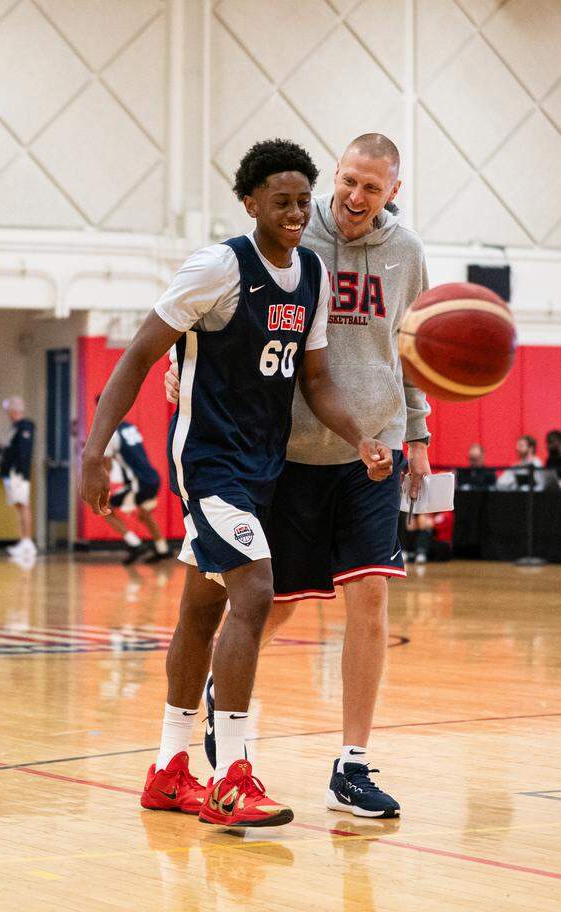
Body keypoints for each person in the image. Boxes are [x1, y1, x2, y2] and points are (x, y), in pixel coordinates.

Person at [81, 139, 392, 829]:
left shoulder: (309, 274)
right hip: (211, 464)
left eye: (301, 202)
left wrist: (360, 437)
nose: (293, 213)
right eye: (279, 201)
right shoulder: (218, 268)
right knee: (253, 594)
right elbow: (138, 354)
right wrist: (94, 448)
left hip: (264, 469)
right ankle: (232, 776)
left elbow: (314, 379)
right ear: (249, 202)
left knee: (199, 612)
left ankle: (169, 770)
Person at [166, 133, 432, 818]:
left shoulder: (407, 254)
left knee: (370, 598)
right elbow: (219, 317)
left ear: (392, 193)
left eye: (371, 188)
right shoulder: (289, 233)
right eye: (347, 180)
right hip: (286, 453)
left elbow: (415, 349)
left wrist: (418, 432)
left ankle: (352, 764)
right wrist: (184, 365)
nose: (354, 195)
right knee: (269, 602)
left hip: (373, 448)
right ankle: (227, 703)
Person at [102, 409, 170, 564]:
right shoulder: (130, 427)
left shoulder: (110, 434)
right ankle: (163, 549)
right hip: (152, 478)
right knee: (144, 514)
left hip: (138, 482)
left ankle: (135, 544)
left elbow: (107, 467)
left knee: (105, 508)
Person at [0, 397, 36, 559]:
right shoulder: (13, 427)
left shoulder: (25, 426)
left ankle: (27, 541)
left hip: (18, 472)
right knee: (18, 505)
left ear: (13, 410)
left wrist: (19, 470)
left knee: (23, 504)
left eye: (7, 410)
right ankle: (23, 540)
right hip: (11, 471)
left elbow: (24, 451)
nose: (6, 413)